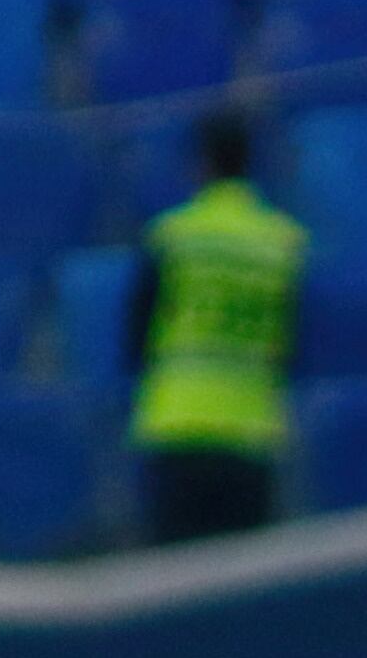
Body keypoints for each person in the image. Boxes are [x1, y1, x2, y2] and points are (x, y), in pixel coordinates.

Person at [128, 106, 302, 547]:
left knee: (172, 586)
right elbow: (291, 341)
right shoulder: (282, 241)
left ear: (201, 163)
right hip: (251, 430)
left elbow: (136, 336)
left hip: (178, 423)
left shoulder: (173, 235)